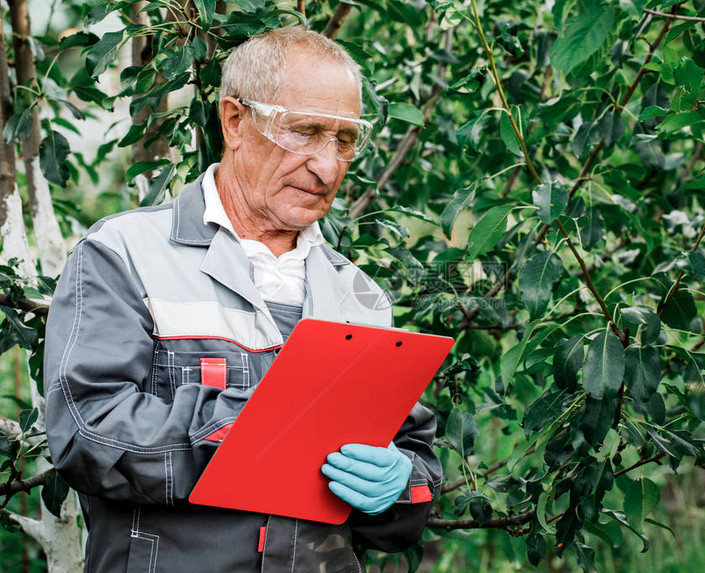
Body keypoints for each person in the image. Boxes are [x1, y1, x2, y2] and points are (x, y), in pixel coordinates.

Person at [44, 26, 441, 572]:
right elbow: (86, 431)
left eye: (345, 140)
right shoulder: (125, 255)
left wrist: (400, 486)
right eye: (304, 132)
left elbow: (412, 471)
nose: (328, 168)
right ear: (235, 121)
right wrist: (254, 432)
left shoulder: (359, 297)